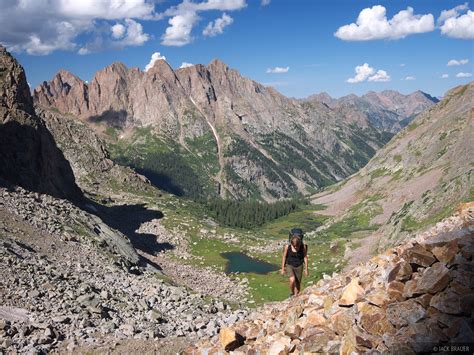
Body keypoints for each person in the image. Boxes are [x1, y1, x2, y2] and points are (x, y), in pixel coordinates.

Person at [281, 231, 308, 297]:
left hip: (299, 266)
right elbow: (284, 257)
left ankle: (296, 296)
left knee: (298, 284)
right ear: (291, 244)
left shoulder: (303, 247)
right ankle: (291, 292)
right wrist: (283, 268)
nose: (295, 247)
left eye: (297, 246)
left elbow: (305, 257)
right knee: (292, 279)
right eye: (294, 246)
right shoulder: (287, 247)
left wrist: (306, 269)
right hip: (290, 265)